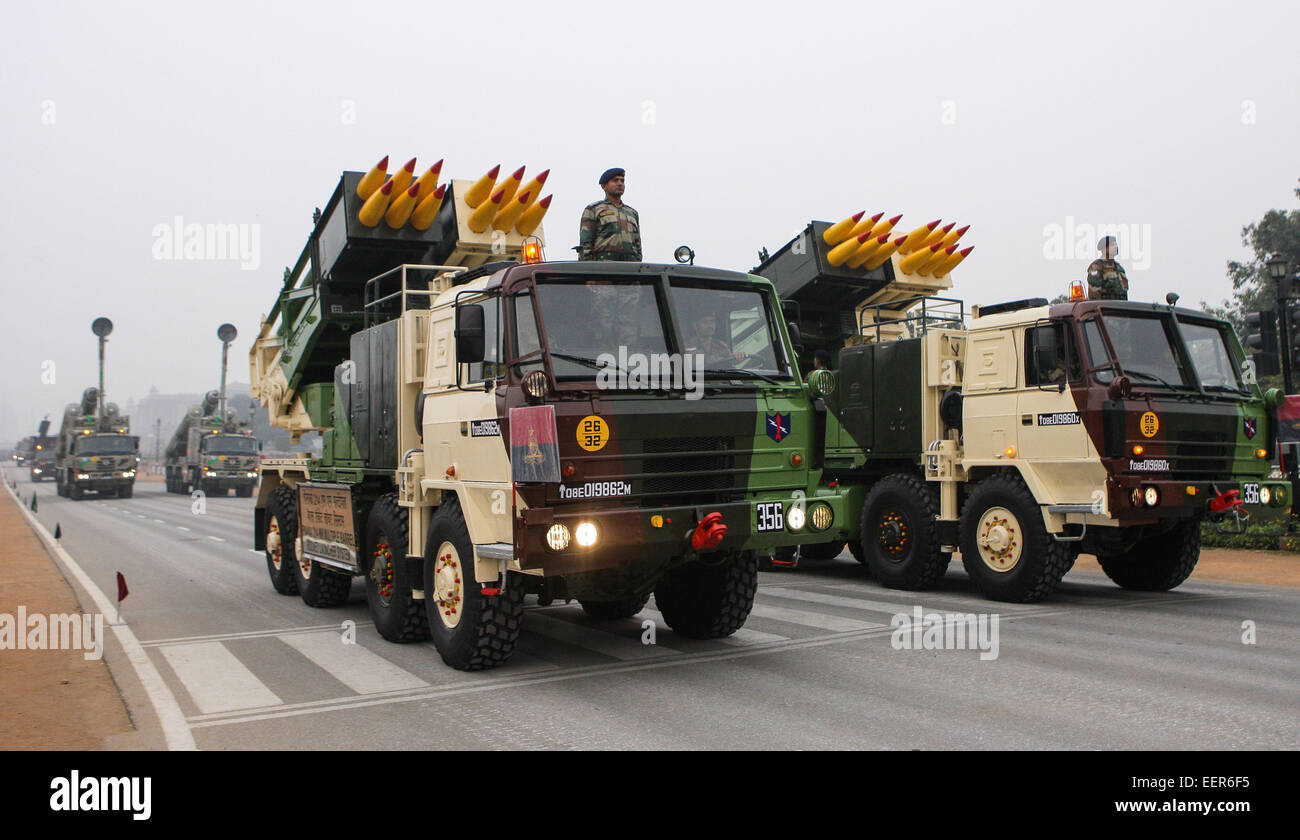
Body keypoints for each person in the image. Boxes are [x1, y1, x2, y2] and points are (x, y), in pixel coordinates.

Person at [579, 168, 641, 261]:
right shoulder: (594, 209)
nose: (620, 183)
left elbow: (637, 244)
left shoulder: (632, 213)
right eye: (615, 180)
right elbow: (586, 243)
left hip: (630, 267)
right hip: (604, 267)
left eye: (622, 181)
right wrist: (589, 268)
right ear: (604, 186)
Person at [1086, 235, 1129, 300]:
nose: (1115, 247)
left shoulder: (1120, 268)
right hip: (1106, 307)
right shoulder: (1097, 266)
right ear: (1104, 249)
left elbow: (1124, 292)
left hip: (1120, 307)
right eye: (1112, 245)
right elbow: (1094, 293)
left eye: (1116, 244)